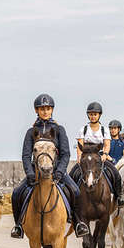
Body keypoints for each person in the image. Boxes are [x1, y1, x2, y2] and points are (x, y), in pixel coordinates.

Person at [10, 94, 90, 239]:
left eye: (48, 108)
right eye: (42, 109)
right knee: (16, 193)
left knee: (76, 191)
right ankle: (18, 226)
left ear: (52, 110)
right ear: (36, 110)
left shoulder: (59, 130)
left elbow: (65, 154)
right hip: (36, 172)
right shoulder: (30, 132)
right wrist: (29, 173)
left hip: (57, 172)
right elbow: (26, 156)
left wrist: (60, 171)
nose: (45, 111)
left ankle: (78, 223)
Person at [69, 102, 124, 206]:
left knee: (115, 173)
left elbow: (107, 145)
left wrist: (104, 155)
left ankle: (119, 197)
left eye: (95, 114)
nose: (93, 116)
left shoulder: (104, 130)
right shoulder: (83, 129)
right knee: (72, 173)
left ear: (99, 115)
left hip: (99, 156)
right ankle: (70, 199)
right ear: (88, 115)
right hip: (86, 156)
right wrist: (79, 156)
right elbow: (80, 145)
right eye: (91, 114)